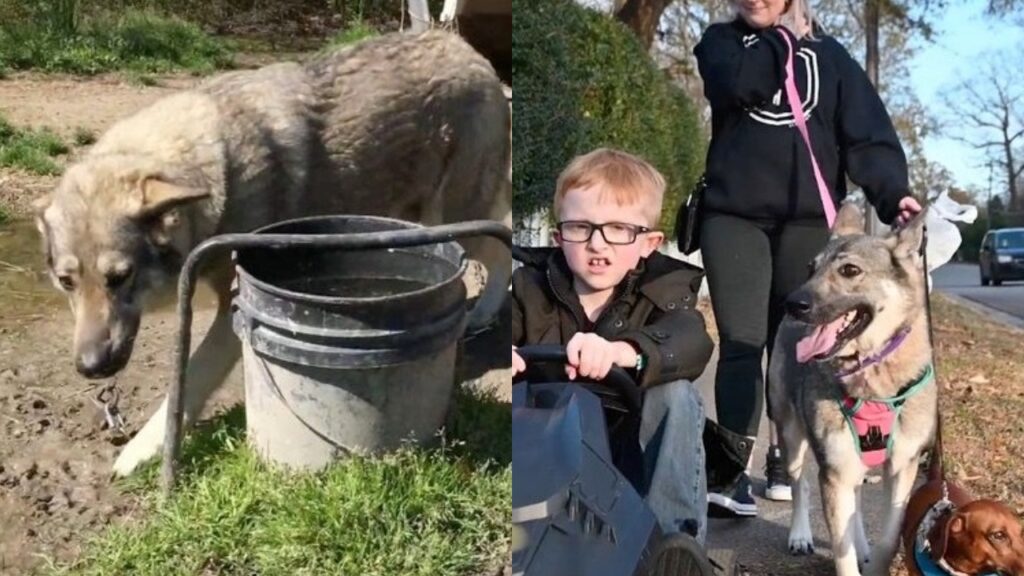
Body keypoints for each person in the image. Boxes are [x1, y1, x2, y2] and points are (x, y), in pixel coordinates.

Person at [693, 0, 923, 517]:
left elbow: (866, 137)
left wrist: (893, 196)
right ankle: (730, 470)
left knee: (794, 340)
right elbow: (740, 86)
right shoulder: (721, 44)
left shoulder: (831, 58)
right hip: (733, 217)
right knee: (743, 340)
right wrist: (783, 39)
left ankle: (785, 455)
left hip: (807, 222)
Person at [511, 147, 716, 544]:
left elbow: (691, 340)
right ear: (558, 236)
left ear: (648, 243)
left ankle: (672, 545)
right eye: (580, 227)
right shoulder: (528, 288)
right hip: (549, 453)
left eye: (618, 229)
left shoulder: (664, 292)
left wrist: (624, 351)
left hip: (632, 453)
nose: (597, 244)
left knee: (676, 394)